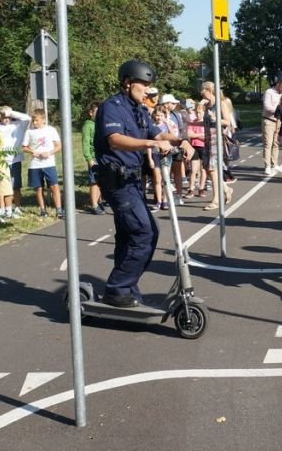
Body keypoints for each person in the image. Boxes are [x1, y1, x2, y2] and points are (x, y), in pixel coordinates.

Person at [94, 59, 193, 308]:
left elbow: (158, 133)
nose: (147, 90)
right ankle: (118, 288)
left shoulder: (139, 110)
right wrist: (151, 145)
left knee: (128, 236)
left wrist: (181, 140)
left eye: (150, 85)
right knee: (144, 231)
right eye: (143, 84)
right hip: (116, 180)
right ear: (127, 83)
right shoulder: (112, 107)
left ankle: (126, 288)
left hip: (133, 180)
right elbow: (115, 140)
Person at [199, 81, 234, 210]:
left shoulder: (220, 104)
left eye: (202, 90)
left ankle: (215, 200)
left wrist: (215, 119)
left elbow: (227, 122)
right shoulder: (207, 105)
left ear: (209, 90)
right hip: (207, 139)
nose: (201, 92)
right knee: (208, 169)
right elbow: (204, 122)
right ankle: (226, 189)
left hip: (216, 139)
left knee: (213, 170)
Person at [22, 109, 63, 218]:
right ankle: (42, 209)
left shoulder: (51, 130)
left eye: (36, 120)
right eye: (33, 121)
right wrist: (32, 151)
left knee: (54, 185)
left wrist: (49, 152)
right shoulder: (29, 132)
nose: (34, 123)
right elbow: (24, 147)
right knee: (38, 188)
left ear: (43, 119)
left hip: (49, 163)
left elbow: (58, 146)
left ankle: (59, 209)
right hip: (35, 164)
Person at [0, 105, 31, 216]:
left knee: (16, 185)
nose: (5, 119)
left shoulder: (17, 126)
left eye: (7, 117)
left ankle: (16, 206)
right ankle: (2, 208)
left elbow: (27, 118)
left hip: (15, 160)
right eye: (3, 117)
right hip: (2, 160)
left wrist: (10, 112)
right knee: (2, 185)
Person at [82, 102, 105, 215]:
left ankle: (99, 201)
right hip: (93, 157)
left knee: (101, 181)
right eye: (97, 112)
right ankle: (94, 204)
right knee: (94, 181)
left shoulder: (101, 124)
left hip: (102, 157)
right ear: (91, 113)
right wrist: (89, 158)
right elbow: (86, 144)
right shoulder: (88, 126)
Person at [262, 77, 282, 175]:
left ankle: (274, 164)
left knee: (276, 143)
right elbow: (267, 106)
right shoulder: (269, 92)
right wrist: (278, 110)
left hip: (278, 121)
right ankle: (267, 166)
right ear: (278, 84)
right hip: (269, 120)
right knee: (268, 143)